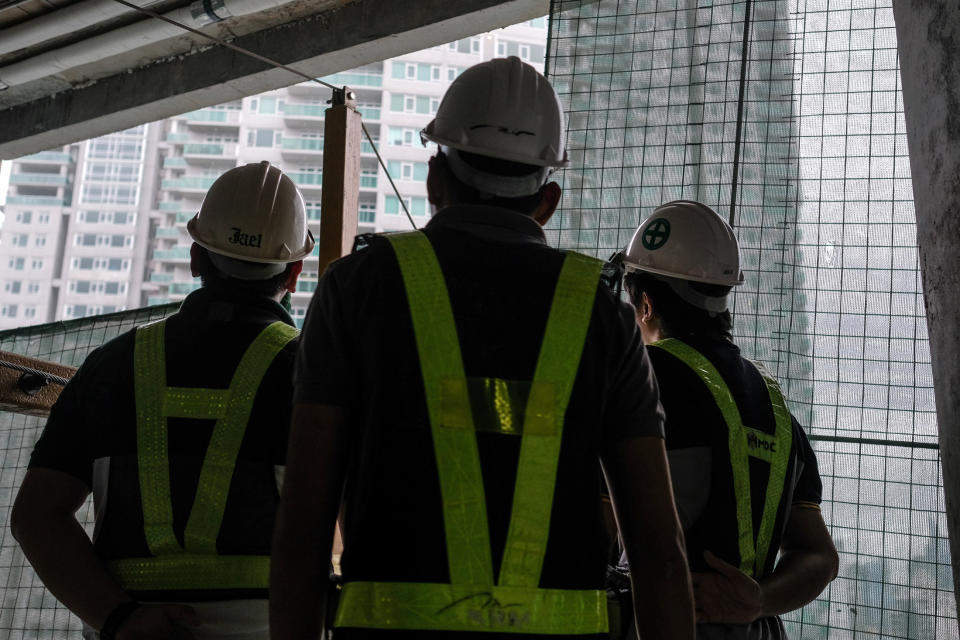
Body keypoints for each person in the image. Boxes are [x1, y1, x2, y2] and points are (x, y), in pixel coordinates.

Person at [270, 56, 695, 640]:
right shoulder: (603, 316)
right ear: (547, 200)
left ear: (434, 180)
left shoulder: (357, 289)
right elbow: (659, 552)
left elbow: (302, 526)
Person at [11, 161, 314, 640]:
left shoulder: (112, 365)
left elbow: (36, 515)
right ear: (295, 272)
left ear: (196, 258)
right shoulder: (314, 371)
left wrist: (120, 618)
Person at [617, 200, 839, 639]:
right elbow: (820, 557)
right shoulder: (775, 406)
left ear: (644, 304)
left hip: (658, 623)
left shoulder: (641, 378)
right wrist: (757, 599)